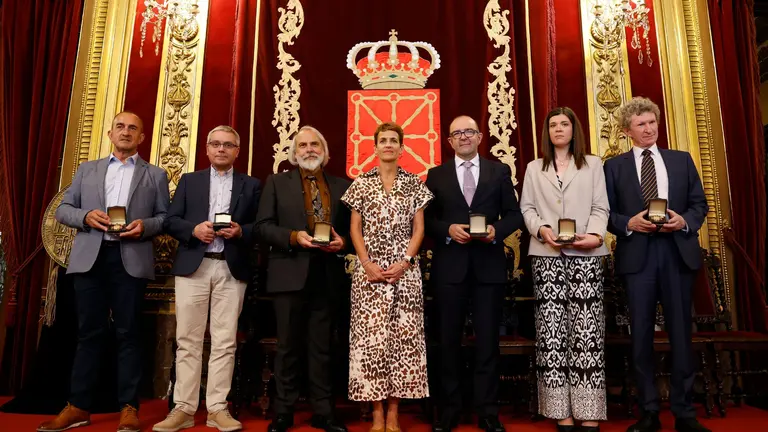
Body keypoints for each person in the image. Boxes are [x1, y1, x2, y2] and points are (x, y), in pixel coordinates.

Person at [41, 111, 170, 432]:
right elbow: (63, 210)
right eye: (120, 127)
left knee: (129, 334)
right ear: (110, 134)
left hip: (130, 259)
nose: (126, 132)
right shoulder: (87, 170)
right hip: (91, 260)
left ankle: (129, 408)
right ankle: (78, 407)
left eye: (133, 128)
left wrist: (145, 226)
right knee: (89, 334)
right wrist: (85, 217)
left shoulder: (155, 174)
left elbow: (164, 218)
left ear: (142, 137)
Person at [604, 97, 710, 432]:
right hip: (638, 257)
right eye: (641, 124)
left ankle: (684, 412)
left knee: (681, 335)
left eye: (652, 122)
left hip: (677, 253)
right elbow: (604, 213)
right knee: (641, 337)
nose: (649, 129)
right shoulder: (613, 167)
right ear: (627, 131)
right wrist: (628, 223)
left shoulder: (681, 160)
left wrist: (684, 221)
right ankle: (648, 411)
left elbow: (699, 204)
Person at [153, 126, 261, 432]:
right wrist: (193, 230)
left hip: (231, 267)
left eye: (228, 145)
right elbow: (170, 221)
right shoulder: (190, 181)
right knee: (187, 340)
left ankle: (217, 409)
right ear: (207, 149)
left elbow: (260, 226)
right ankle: (184, 409)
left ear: (237, 151)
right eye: (215, 144)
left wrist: (241, 231)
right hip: (194, 267)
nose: (221, 149)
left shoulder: (252, 184)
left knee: (225, 342)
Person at [425, 115, 523, 432]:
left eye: (469, 131)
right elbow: (426, 221)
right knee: (448, 342)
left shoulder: (499, 171)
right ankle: (450, 409)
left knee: (487, 343)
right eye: (457, 133)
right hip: (449, 268)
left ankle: (487, 411)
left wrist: (496, 231)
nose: (464, 137)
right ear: (449, 141)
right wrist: (447, 230)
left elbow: (515, 215)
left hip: (488, 268)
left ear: (480, 137)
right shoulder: (436, 175)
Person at [255, 126, 350, 432]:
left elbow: (353, 231)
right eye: (303, 145)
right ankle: (283, 412)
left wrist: (343, 243)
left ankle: (324, 412)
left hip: (327, 276)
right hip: (288, 273)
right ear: (294, 153)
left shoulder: (343, 185)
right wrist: (294, 237)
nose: (309, 149)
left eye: (315, 144)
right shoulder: (276, 182)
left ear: (325, 151)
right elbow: (262, 227)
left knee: (322, 348)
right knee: (288, 347)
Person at [520, 107, 609, 432]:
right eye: (553, 125)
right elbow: (527, 208)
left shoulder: (593, 164)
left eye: (564, 124)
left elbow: (600, 207)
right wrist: (541, 229)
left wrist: (595, 236)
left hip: (586, 255)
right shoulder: (534, 167)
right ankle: (560, 411)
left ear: (574, 129)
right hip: (546, 255)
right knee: (552, 333)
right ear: (547, 132)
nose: (558, 129)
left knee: (587, 333)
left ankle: (589, 410)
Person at [341, 122, 433, 432]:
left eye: (394, 140)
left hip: (405, 274)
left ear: (402, 148)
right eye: (383, 140)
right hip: (369, 275)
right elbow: (354, 228)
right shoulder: (361, 183)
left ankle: (394, 413)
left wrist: (406, 261)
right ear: (375, 147)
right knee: (371, 344)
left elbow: (419, 228)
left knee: (403, 344)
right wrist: (366, 263)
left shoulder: (414, 183)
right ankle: (376, 413)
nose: (389, 144)